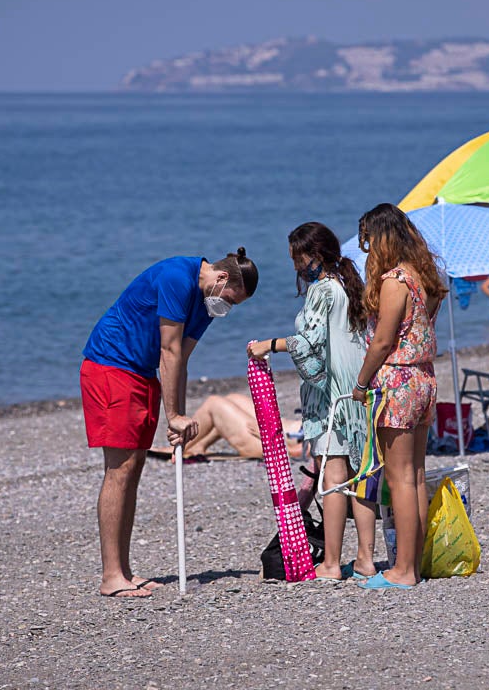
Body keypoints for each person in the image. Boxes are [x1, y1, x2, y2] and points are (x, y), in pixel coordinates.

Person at [80, 250, 258, 599]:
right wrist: (173, 415)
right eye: (232, 300)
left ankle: (125, 570)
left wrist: (180, 415)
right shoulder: (179, 276)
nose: (229, 308)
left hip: (142, 373)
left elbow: (182, 360)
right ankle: (111, 575)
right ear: (222, 279)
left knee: (134, 466)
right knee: (119, 469)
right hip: (111, 366)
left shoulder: (207, 304)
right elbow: (169, 350)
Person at [247, 222, 376, 582]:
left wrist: (269, 345)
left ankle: (331, 563)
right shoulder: (349, 285)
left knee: (333, 479)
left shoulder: (322, 290)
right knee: (360, 476)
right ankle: (365, 559)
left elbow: (309, 342)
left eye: (296, 257)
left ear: (314, 255)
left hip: (334, 393)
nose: (294, 267)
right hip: (358, 387)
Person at [352, 203, 446, 589]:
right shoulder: (423, 278)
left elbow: (382, 342)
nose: (367, 250)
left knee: (400, 477)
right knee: (417, 474)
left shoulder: (395, 281)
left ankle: (403, 571)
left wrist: (360, 383)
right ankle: (413, 564)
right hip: (423, 379)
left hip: (399, 382)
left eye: (368, 241)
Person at [147, 392, 304, 461]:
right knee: (233, 398)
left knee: (214, 403)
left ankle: (180, 446)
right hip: (284, 433)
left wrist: (272, 434)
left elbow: (308, 450)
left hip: (277, 445)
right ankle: (199, 445)